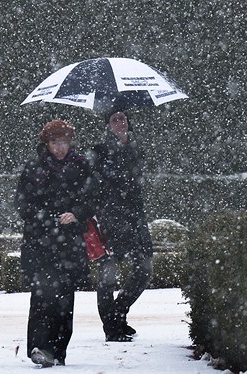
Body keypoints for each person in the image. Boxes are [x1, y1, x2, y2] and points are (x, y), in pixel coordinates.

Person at [14, 119, 94, 367]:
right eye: (55, 142)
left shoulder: (81, 167)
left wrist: (76, 213)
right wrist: (47, 218)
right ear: (46, 143)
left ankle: (59, 350)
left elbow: (93, 198)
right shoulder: (34, 168)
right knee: (42, 297)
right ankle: (39, 347)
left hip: (69, 243)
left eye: (65, 142)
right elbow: (22, 204)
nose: (60, 147)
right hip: (41, 243)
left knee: (65, 299)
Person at [87, 110, 154, 342]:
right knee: (108, 274)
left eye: (122, 118)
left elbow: (137, 182)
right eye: (114, 119)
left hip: (135, 218)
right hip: (109, 220)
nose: (119, 122)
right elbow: (97, 185)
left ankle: (117, 315)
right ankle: (112, 328)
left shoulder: (136, 148)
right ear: (108, 124)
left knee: (144, 269)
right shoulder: (99, 151)